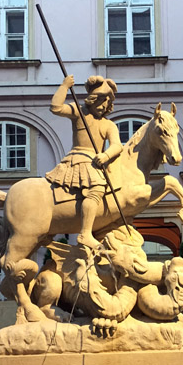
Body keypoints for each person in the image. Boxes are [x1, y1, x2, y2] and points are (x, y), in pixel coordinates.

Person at [46, 75, 123, 249]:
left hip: (96, 160)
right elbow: (56, 107)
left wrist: (106, 155)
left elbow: (118, 145)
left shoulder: (109, 125)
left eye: (107, 102)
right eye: (101, 100)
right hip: (78, 158)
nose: (104, 105)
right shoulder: (79, 112)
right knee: (96, 188)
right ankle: (85, 233)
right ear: (93, 99)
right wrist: (64, 86)